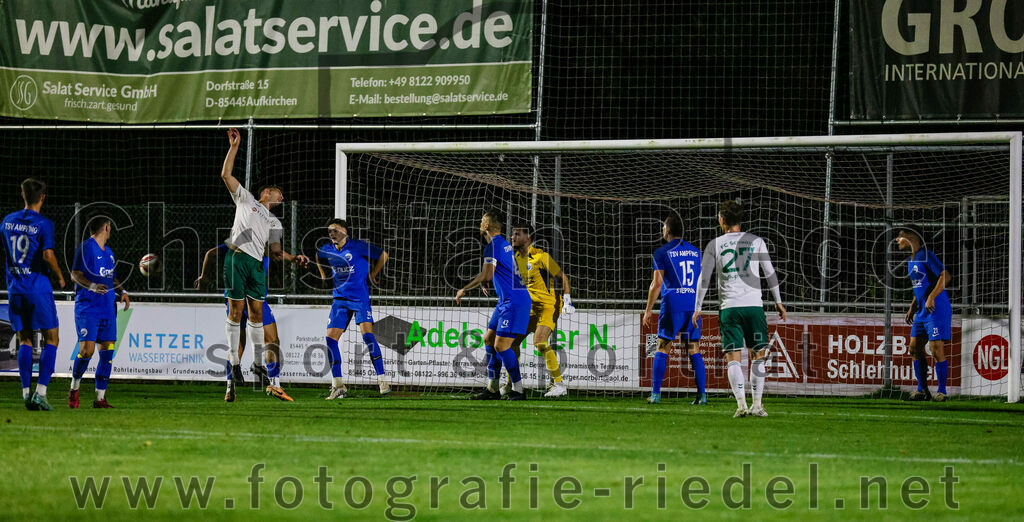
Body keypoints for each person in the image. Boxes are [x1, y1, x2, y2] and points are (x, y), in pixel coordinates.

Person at [219, 127, 309, 402]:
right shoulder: (246, 199)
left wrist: (295, 258)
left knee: (256, 315)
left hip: (256, 266)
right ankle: (234, 366)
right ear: (267, 192)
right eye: (279, 193)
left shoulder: (275, 222)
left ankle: (258, 366)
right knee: (236, 313)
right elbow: (226, 175)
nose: (282, 198)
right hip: (237, 257)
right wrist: (234, 147)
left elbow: (276, 253)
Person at [693, 200, 786, 418]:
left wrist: (698, 307)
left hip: (730, 308)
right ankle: (757, 405)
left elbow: (704, 279)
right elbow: (769, 272)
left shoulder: (714, 244)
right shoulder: (756, 241)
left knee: (733, 356)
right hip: (754, 307)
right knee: (758, 355)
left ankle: (741, 405)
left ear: (721, 220)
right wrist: (778, 301)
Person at [1, 178, 65, 411]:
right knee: (52, 338)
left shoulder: (7, 221)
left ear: (23, 195)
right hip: (37, 287)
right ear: (43, 197)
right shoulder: (44, 223)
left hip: (15, 289)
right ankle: (41, 393)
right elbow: (47, 255)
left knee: (24, 340)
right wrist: (59, 276)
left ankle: (26, 394)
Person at [456, 208, 532, 401]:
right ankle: (492, 389)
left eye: (482, 220)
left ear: (487, 225)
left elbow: (487, 274)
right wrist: (487, 280)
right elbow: (499, 271)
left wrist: (465, 288)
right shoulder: (504, 244)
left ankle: (518, 389)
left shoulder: (492, 246)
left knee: (501, 346)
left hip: (514, 301)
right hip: (507, 300)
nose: (480, 224)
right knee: (489, 339)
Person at [315, 218, 391, 399]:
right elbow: (318, 255)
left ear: (345, 232)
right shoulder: (327, 249)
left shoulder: (358, 246)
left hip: (359, 299)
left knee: (368, 336)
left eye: (335, 230)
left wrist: (373, 274)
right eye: (329, 231)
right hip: (340, 299)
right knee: (330, 339)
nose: (331, 233)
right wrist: (323, 275)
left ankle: (382, 381)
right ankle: (338, 385)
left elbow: (384, 255)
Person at [642, 213, 707, 405]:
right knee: (694, 349)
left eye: (663, 226)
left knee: (662, 346)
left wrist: (648, 310)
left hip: (673, 304)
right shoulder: (696, 252)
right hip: (692, 305)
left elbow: (656, 284)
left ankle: (655, 395)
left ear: (668, 230)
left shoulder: (661, 252)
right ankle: (702, 396)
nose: (662, 229)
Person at [68, 215, 131, 408]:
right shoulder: (85, 248)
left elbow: (111, 277)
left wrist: (123, 291)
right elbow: (74, 275)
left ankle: (100, 398)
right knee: (86, 351)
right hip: (88, 308)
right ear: (106, 227)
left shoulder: (109, 252)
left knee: (107, 353)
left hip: (107, 308)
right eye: (110, 226)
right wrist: (92, 286)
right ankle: (74, 387)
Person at [509, 222, 574, 398]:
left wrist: (567, 299)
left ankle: (559, 385)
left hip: (548, 305)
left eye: (517, 234)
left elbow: (563, 277)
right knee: (511, 343)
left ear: (527, 238)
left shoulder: (541, 256)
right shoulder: (515, 258)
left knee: (539, 342)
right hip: (530, 308)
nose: (513, 237)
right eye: (513, 234)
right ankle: (512, 385)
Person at [196, 244, 273, 388]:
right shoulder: (258, 245)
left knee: (238, 343)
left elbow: (211, 253)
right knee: (269, 336)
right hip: (252, 297)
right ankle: (267, 375)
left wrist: (204, 276)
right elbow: (211, 253)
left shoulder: (237, 244)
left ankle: (230, 386)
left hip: (234, 296)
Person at [897, 224, 952, 402]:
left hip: (936, 309)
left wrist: (932, 298)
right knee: (914, 349)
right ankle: (922, 390)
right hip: (922, 311)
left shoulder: (926, 255)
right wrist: (913, 306)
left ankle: (942, 392)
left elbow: (945, 276)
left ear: (911, 238)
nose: (897, 240)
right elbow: (920, 286)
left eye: (900, 236)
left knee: (936, 349)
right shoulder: (910, 260)